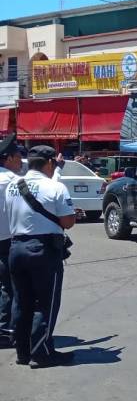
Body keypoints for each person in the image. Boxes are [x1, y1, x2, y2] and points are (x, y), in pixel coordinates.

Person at [6, 146, 76, 368]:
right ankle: (42, 353)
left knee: (21, 302)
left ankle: (23, 352)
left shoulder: (12, 186)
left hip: (16, 247)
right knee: (45, 303)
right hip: (43, 250)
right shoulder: (55, 186)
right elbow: (68, 222)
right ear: (48, 163)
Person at [0, 133, 24, 349]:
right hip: (7, 241)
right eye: (18, 157)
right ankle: (5, 329)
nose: (21, 161)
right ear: (8, 158)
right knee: (10, 287)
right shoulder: (14, 181)